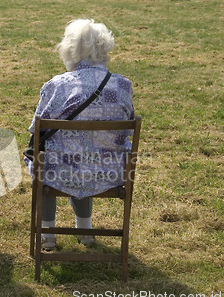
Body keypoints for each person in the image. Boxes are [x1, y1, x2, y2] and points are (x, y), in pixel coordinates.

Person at [24, 19, 135, 251]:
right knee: (86, 156)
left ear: (69, 49)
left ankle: (47, 235)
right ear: (105, 49)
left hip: (63, 171)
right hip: (109, 171)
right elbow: (126, 131)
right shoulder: (123, 86)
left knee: (46, 159)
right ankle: (85, 230)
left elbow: (38, 129)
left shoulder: (58, 86)